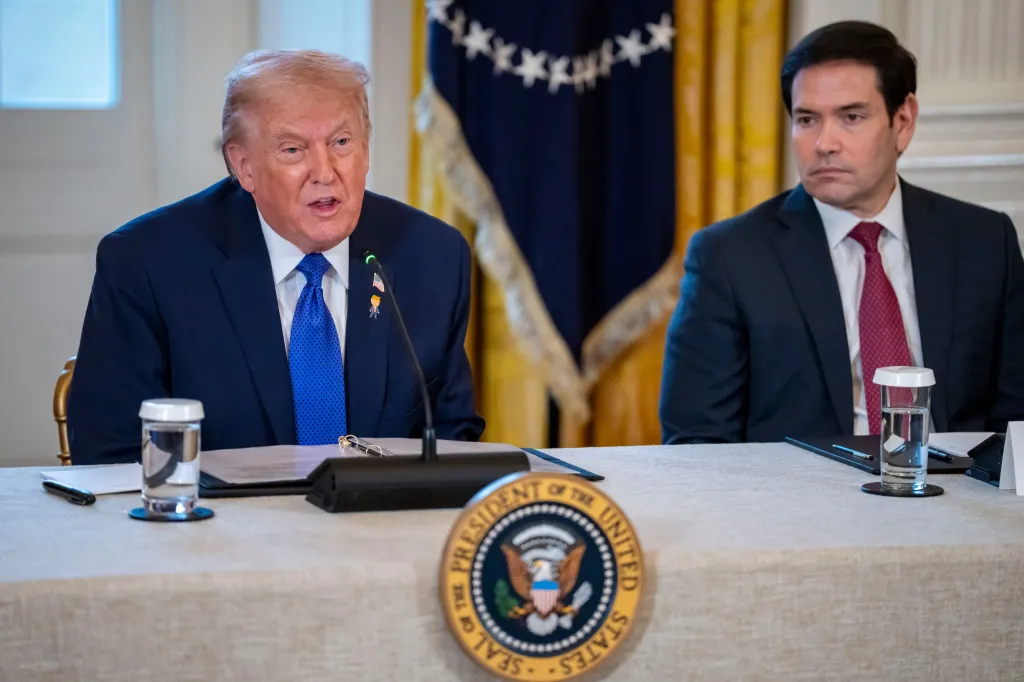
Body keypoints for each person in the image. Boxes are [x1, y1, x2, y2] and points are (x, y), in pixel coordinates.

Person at [68, 49, 484, 465]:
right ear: (243, 166)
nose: (324, 172)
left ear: (366, 148)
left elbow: (453, 443)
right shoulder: (148, 264)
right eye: (293, 150)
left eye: (341, 142)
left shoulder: (432, 256)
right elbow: (112, 455)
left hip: (381, 525)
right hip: (214, 527)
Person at [660, 20, 1024, 444]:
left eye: (851, 116)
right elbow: (697, 443)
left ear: (903, 121)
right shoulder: (729, 257)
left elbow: (1016, 425)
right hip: (797, 504)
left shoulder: (984, 242)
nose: (824, 143)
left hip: (957, 497)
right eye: (807, 119)